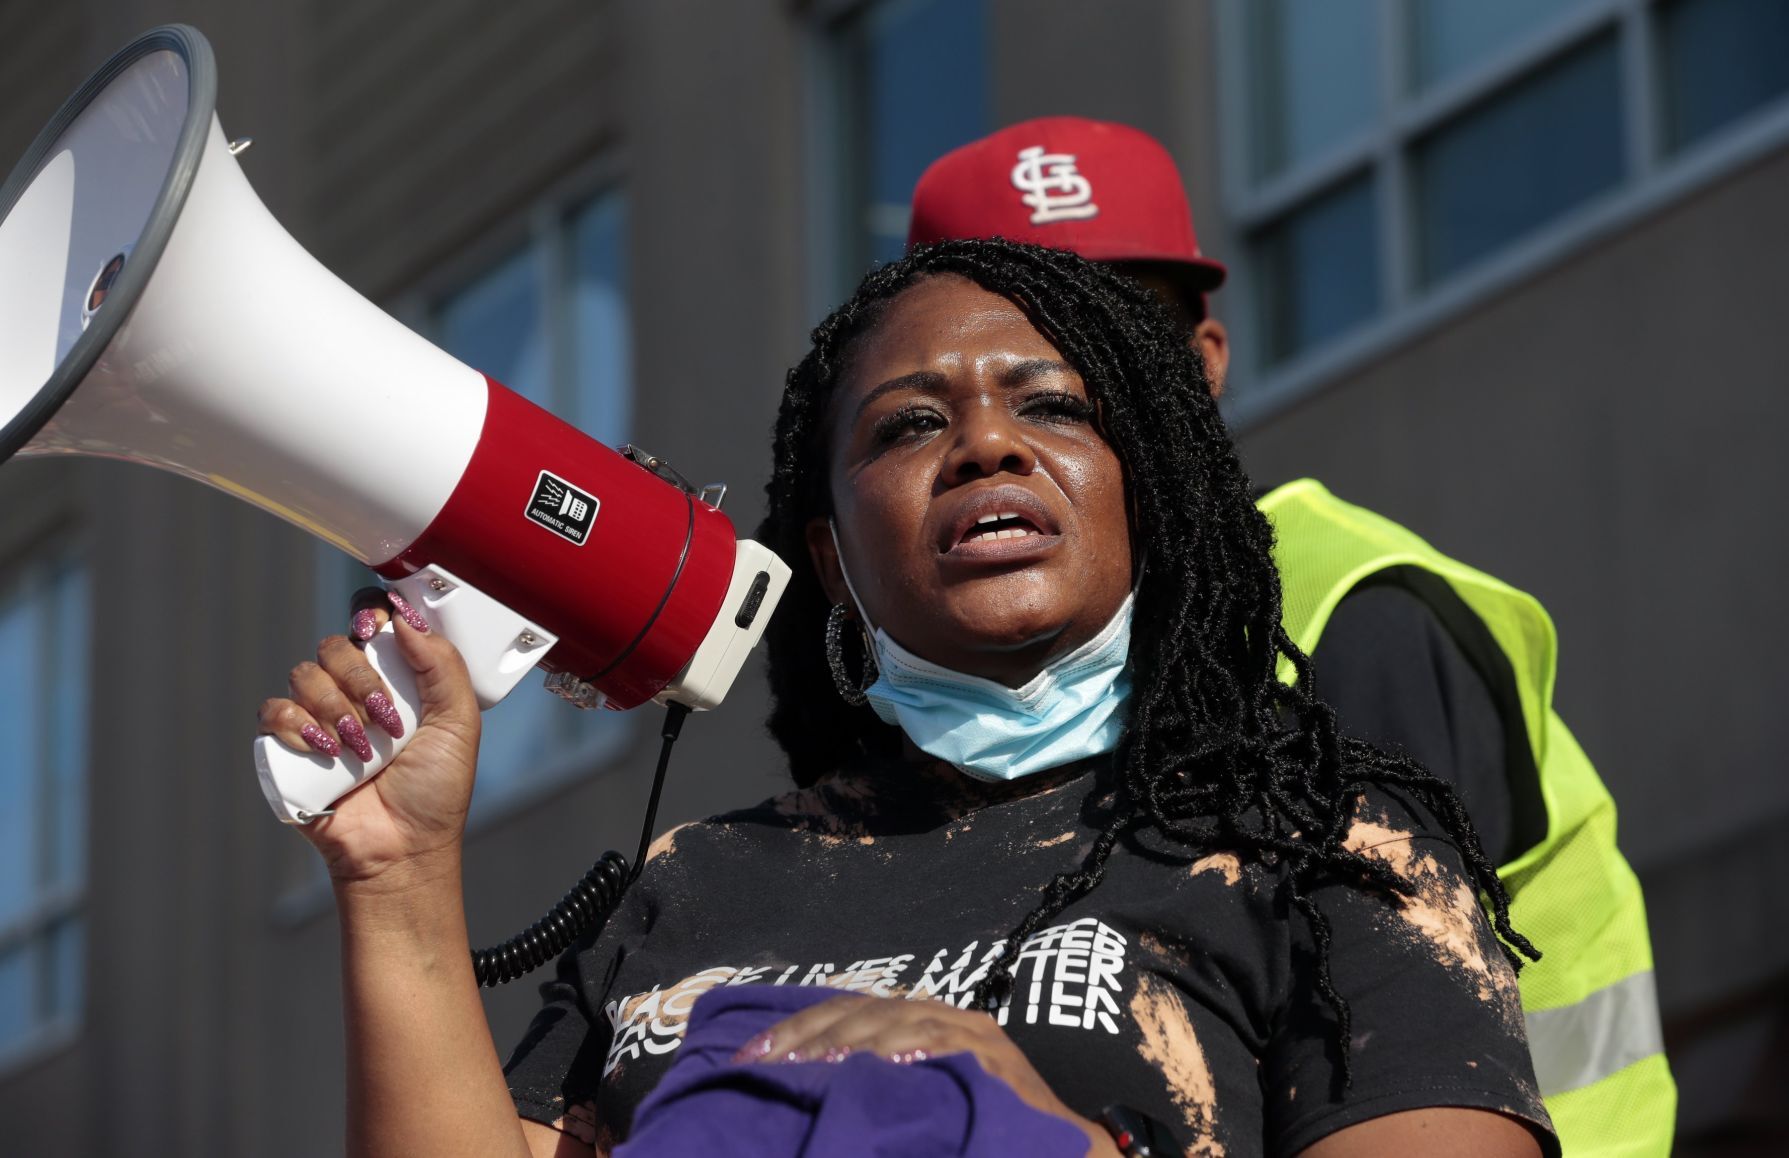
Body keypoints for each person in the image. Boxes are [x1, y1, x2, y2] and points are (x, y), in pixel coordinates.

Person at [264, 239, 1559, 1156]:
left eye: (1052, 405)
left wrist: (1025, 1130)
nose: (986, 443)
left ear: (1144, 494)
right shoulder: (688, 883)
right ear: (830, 552)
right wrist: (396, 874)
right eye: (904, 426)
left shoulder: (1327, 840)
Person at [908, 117, 1672, 1156]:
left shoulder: (1350, 619)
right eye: (1025, 348)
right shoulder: (966, 681)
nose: (1074, 387)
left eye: (1120, 335)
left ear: (1205, 360)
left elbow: (1381, 1055)